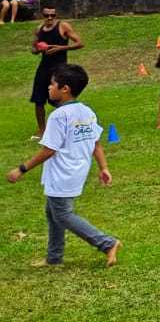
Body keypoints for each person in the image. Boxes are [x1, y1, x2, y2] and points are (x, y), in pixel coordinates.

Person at [7, 63, 121, 267]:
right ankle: (54, 257)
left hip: (63, 173)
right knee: (53, 214)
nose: (49, 88)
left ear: (65, 89)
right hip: (76, 171)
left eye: (52, 85)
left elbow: (49, 150)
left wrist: (21, 169)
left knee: (63, 215)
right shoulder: (87, 111)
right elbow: (96, 144)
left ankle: (107, 243)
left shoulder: (59, 116)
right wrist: (104, 168)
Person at [30, 5, 82, 139]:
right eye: (47, 15)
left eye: (52, 15)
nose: (49, 18)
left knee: (61, 99)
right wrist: (38, 49)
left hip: (59, 69)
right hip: (44, 68)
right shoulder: (39, 29)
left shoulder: (63, 26)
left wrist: (60, 48)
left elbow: (79, 43)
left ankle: (69, 125)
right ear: (42, 16)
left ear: (56, 16)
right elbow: (33, 48)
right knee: (38, 99)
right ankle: (42, 130)